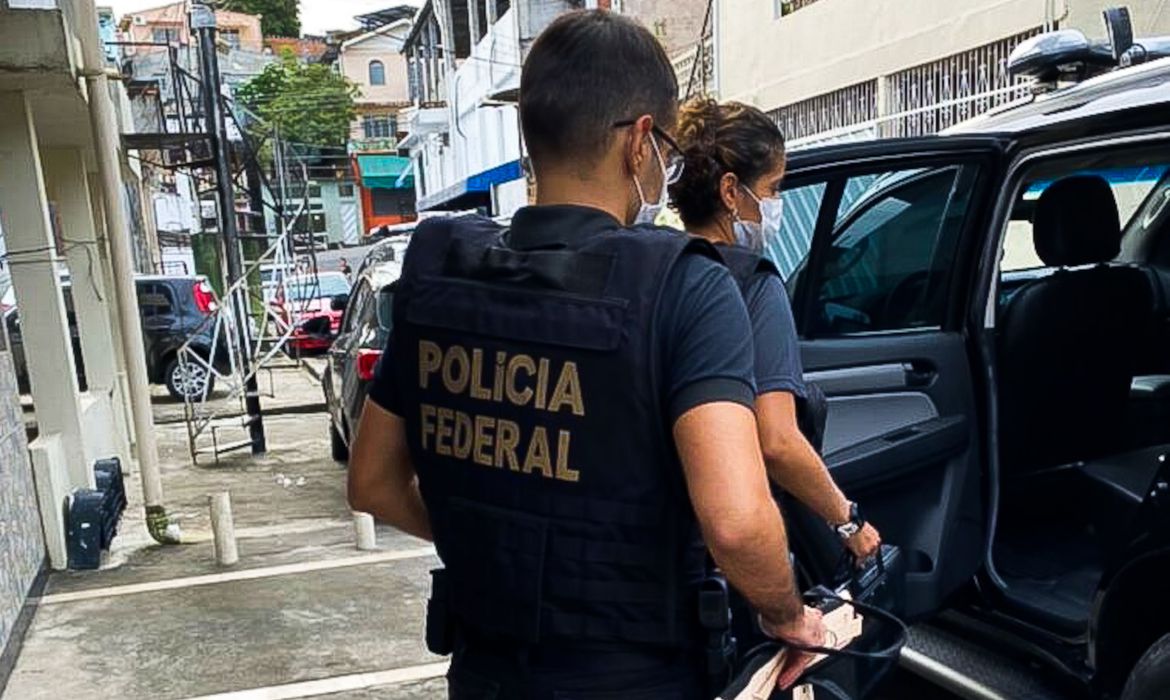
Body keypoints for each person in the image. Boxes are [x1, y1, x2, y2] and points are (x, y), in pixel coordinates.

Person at [347, 10, 825, 699]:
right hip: (637, 679)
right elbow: (737, 521)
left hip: (484, 675)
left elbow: (373, 484)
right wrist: (789, 615)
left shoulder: (442, 273)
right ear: (639, 142)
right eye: (665, 147)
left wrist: (494, 553)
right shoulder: (685, 285)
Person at [670, 98, 882, 563]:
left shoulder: (658, 270)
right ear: (731, 191)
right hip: (736, 535)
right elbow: (777, 442)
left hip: (669, 533)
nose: (775, 204)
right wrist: (849, 522)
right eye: (773, 188)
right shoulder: (754, 284)